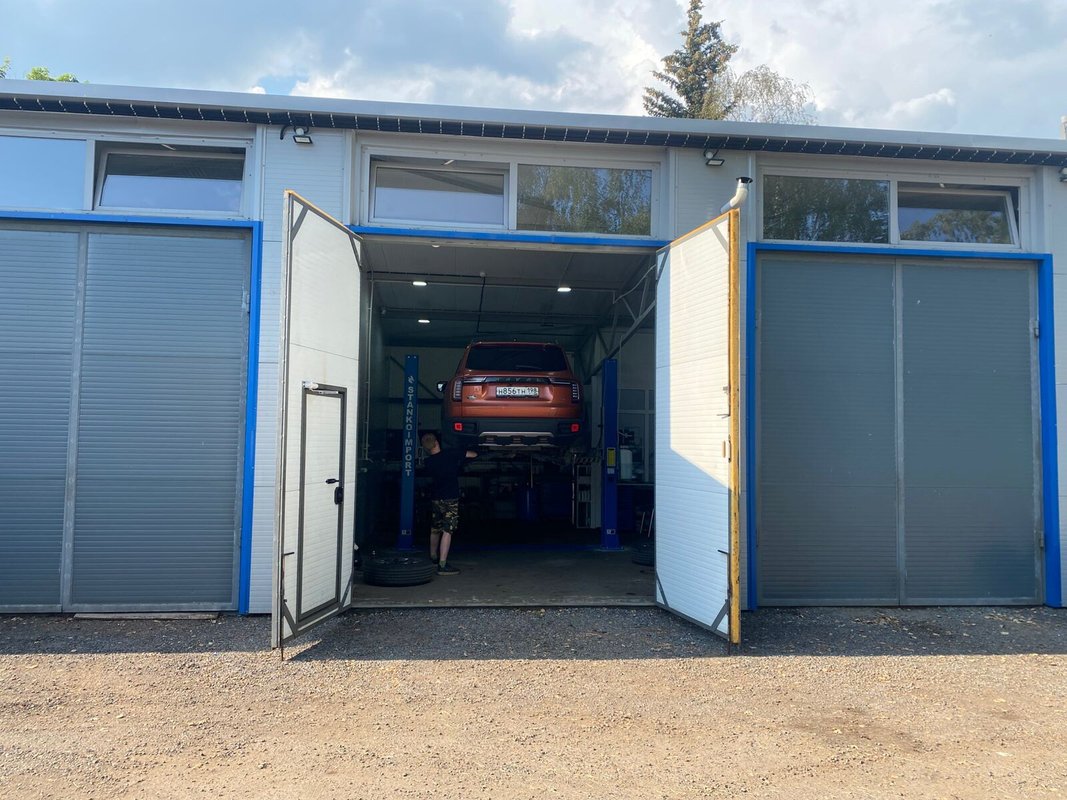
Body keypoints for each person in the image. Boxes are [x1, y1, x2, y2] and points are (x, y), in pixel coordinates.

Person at [420, 432, 477, 575]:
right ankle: (443, 565)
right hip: (450, 498)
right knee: (447, 530)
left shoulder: (428, 462)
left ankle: (433, 557)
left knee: (435, 528)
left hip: (436, 498)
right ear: (437, 442)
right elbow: (473, 455)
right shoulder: (450, 454)